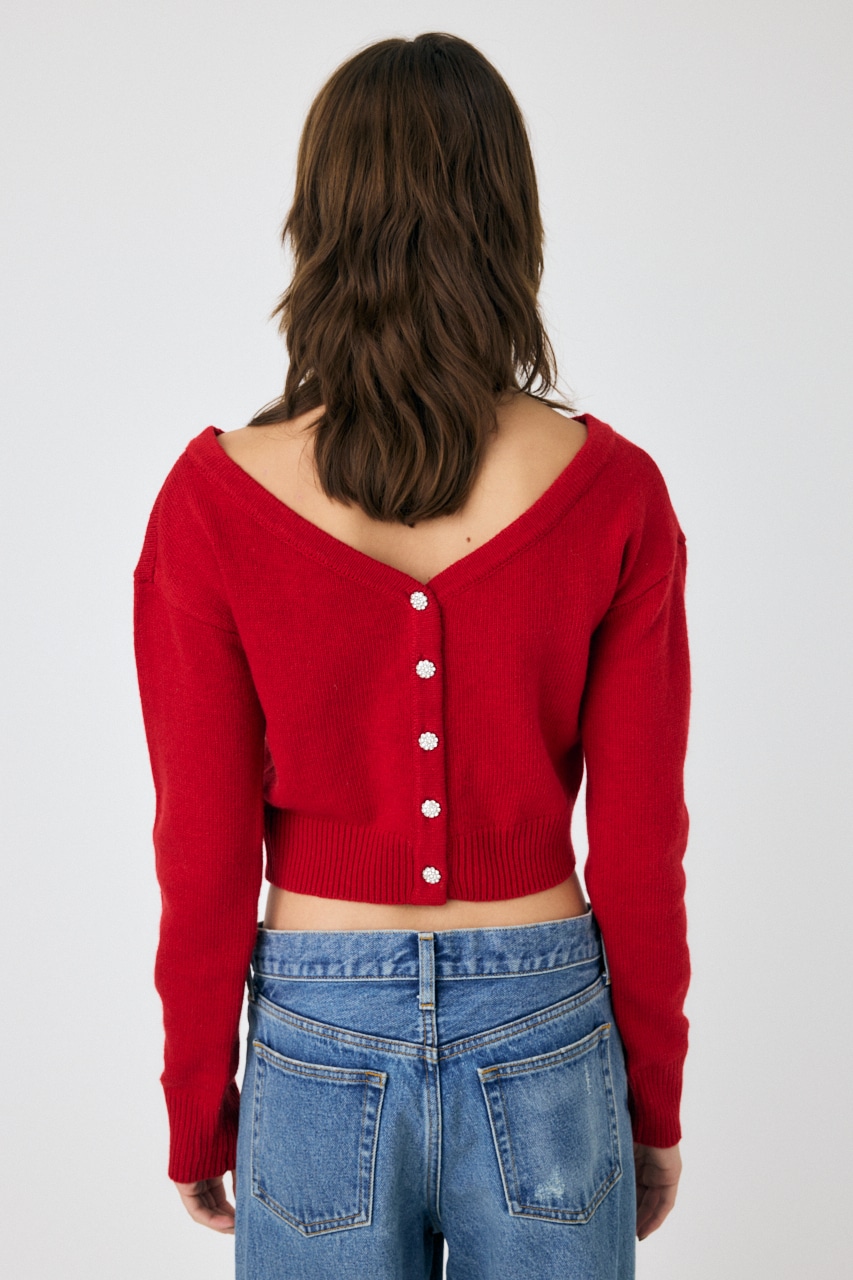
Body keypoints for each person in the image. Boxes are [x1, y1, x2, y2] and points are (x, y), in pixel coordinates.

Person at [133, 31, 691, 1279]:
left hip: (315, 1029)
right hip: (546, 1023)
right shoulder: (612, 491)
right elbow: (642, 844)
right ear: (511, 222)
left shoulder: (213, 502)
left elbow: (200, 846)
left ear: (319, 225)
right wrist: (650, 1098)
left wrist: (195, 1105)